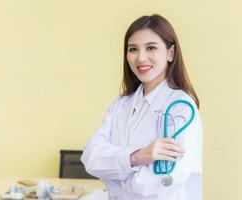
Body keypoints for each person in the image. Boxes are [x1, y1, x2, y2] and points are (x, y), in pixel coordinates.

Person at [81, 14, 202, 200]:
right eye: (133, 49)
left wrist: (113, 172)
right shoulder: (121, 104)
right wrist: (137, 157)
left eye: (151, 48)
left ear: (171, 53)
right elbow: (90, 158)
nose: (140, 58)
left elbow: (163, 184)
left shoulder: (181, 108)